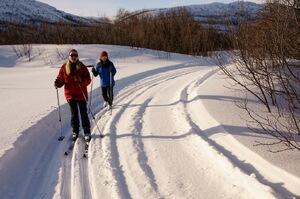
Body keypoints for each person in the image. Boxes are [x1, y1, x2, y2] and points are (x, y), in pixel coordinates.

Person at [54, 49, 92, 142]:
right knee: (74, 114)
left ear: (77, 57)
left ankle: (87, 132)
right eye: (72, 55)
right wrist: (58, 83)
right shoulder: (64, 67)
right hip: (70, 95)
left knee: (83, 114)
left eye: (75, 56)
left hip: (81, 94)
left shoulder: (82, 67)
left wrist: (81, 81)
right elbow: (61, 78)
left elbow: (88, 79)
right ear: (69, 56)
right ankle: (75, 131)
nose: (74, 57)